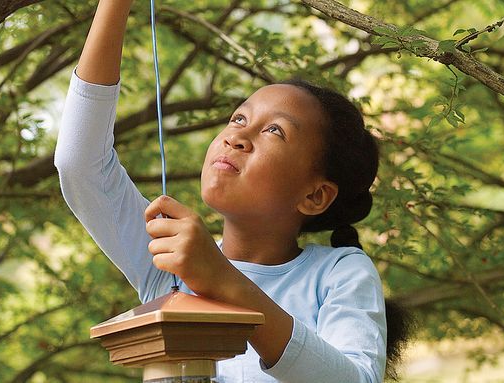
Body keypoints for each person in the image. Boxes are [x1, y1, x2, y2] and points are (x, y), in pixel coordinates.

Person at [55, 0, 408, 381]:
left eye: (275, 130)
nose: (237, 135)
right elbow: (80, 163)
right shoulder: (171, 264)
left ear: (314, 196)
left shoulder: (339, 272)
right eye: (239, 118)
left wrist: (222, 279)